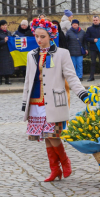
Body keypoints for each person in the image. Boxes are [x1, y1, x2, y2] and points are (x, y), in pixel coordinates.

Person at [21, 18, 89, 182]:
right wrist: (25, 102)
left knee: (53, 135)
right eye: (36, 36)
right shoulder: (31, 55)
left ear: (50, 36)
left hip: (54, 101)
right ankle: (55, 169)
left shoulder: (62, 54)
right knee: (46, 136)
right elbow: (28, 80)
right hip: (36, 101)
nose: (38, 40)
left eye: (42, 36)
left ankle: (65, 162)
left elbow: (72, 78)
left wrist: (84, 95)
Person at [85, 15, 100, 81]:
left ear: (99, 20)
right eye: (94, 20)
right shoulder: (89, 29)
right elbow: (86, 38)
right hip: (93, 48)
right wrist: (93, 40)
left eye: (96, 20)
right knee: (93, 63)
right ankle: (91, 77)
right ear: (92, 21)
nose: (95, 21)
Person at [0, 19, 15, 85]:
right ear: (0, 26)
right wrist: (3, 41)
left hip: (7, 51)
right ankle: (0, 80)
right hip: (1, 52)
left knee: (7, 66)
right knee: (0, 66)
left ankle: (7, 80)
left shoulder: (8, 33)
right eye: (3, 25)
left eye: (5, 25)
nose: (4, 26)